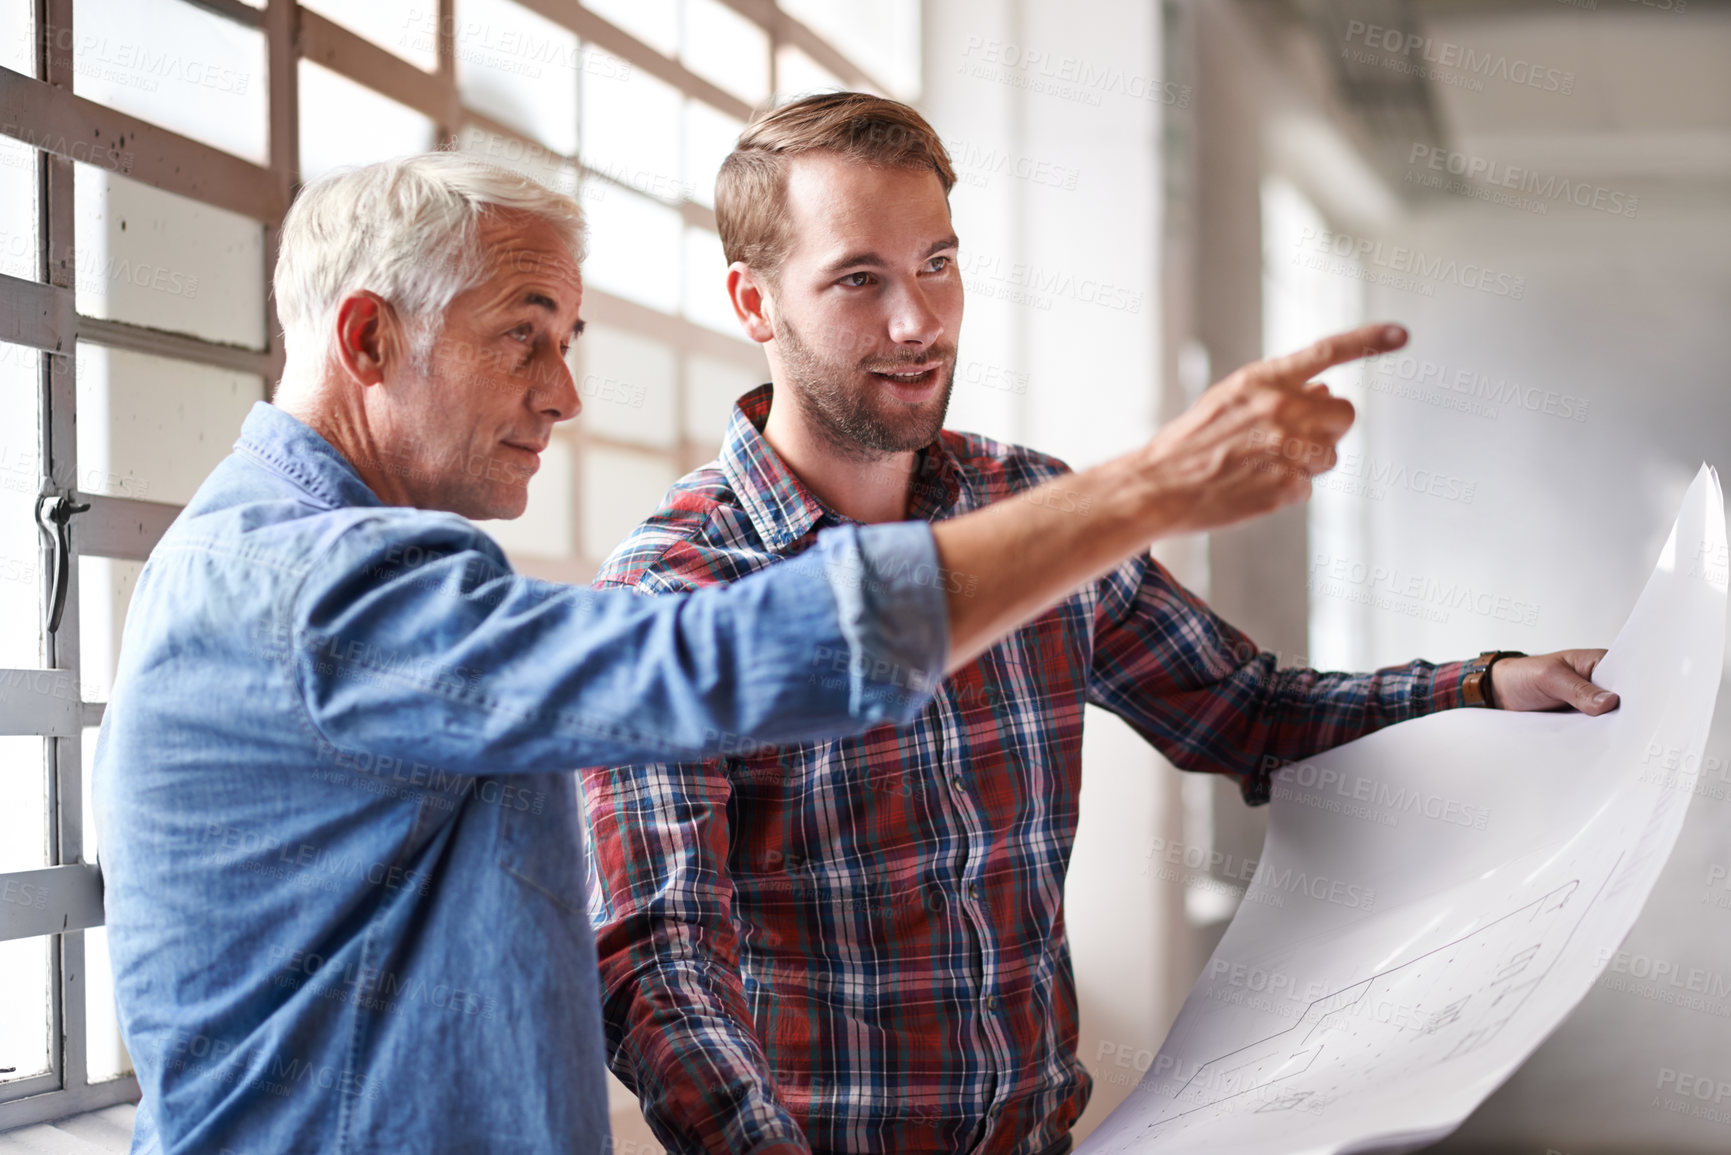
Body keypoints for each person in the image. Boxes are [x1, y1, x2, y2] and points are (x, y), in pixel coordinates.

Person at [90, 151, 1391, 1155]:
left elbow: (1244, 706)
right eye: (522, 334)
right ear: (368, 339)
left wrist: (1481, 686)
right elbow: (690, 672)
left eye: (568, 340)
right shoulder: (315, 586)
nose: (562, 392)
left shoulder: (302, 567)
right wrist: (1142, 489)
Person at [580, 93, 1618, 1155]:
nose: (919, 322)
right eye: (860, 279)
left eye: (939, 263)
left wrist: (1485, 684)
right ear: (754, 302)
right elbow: (656, 961)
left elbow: (1246, 710)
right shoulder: (676, 590)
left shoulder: (1034, 511)